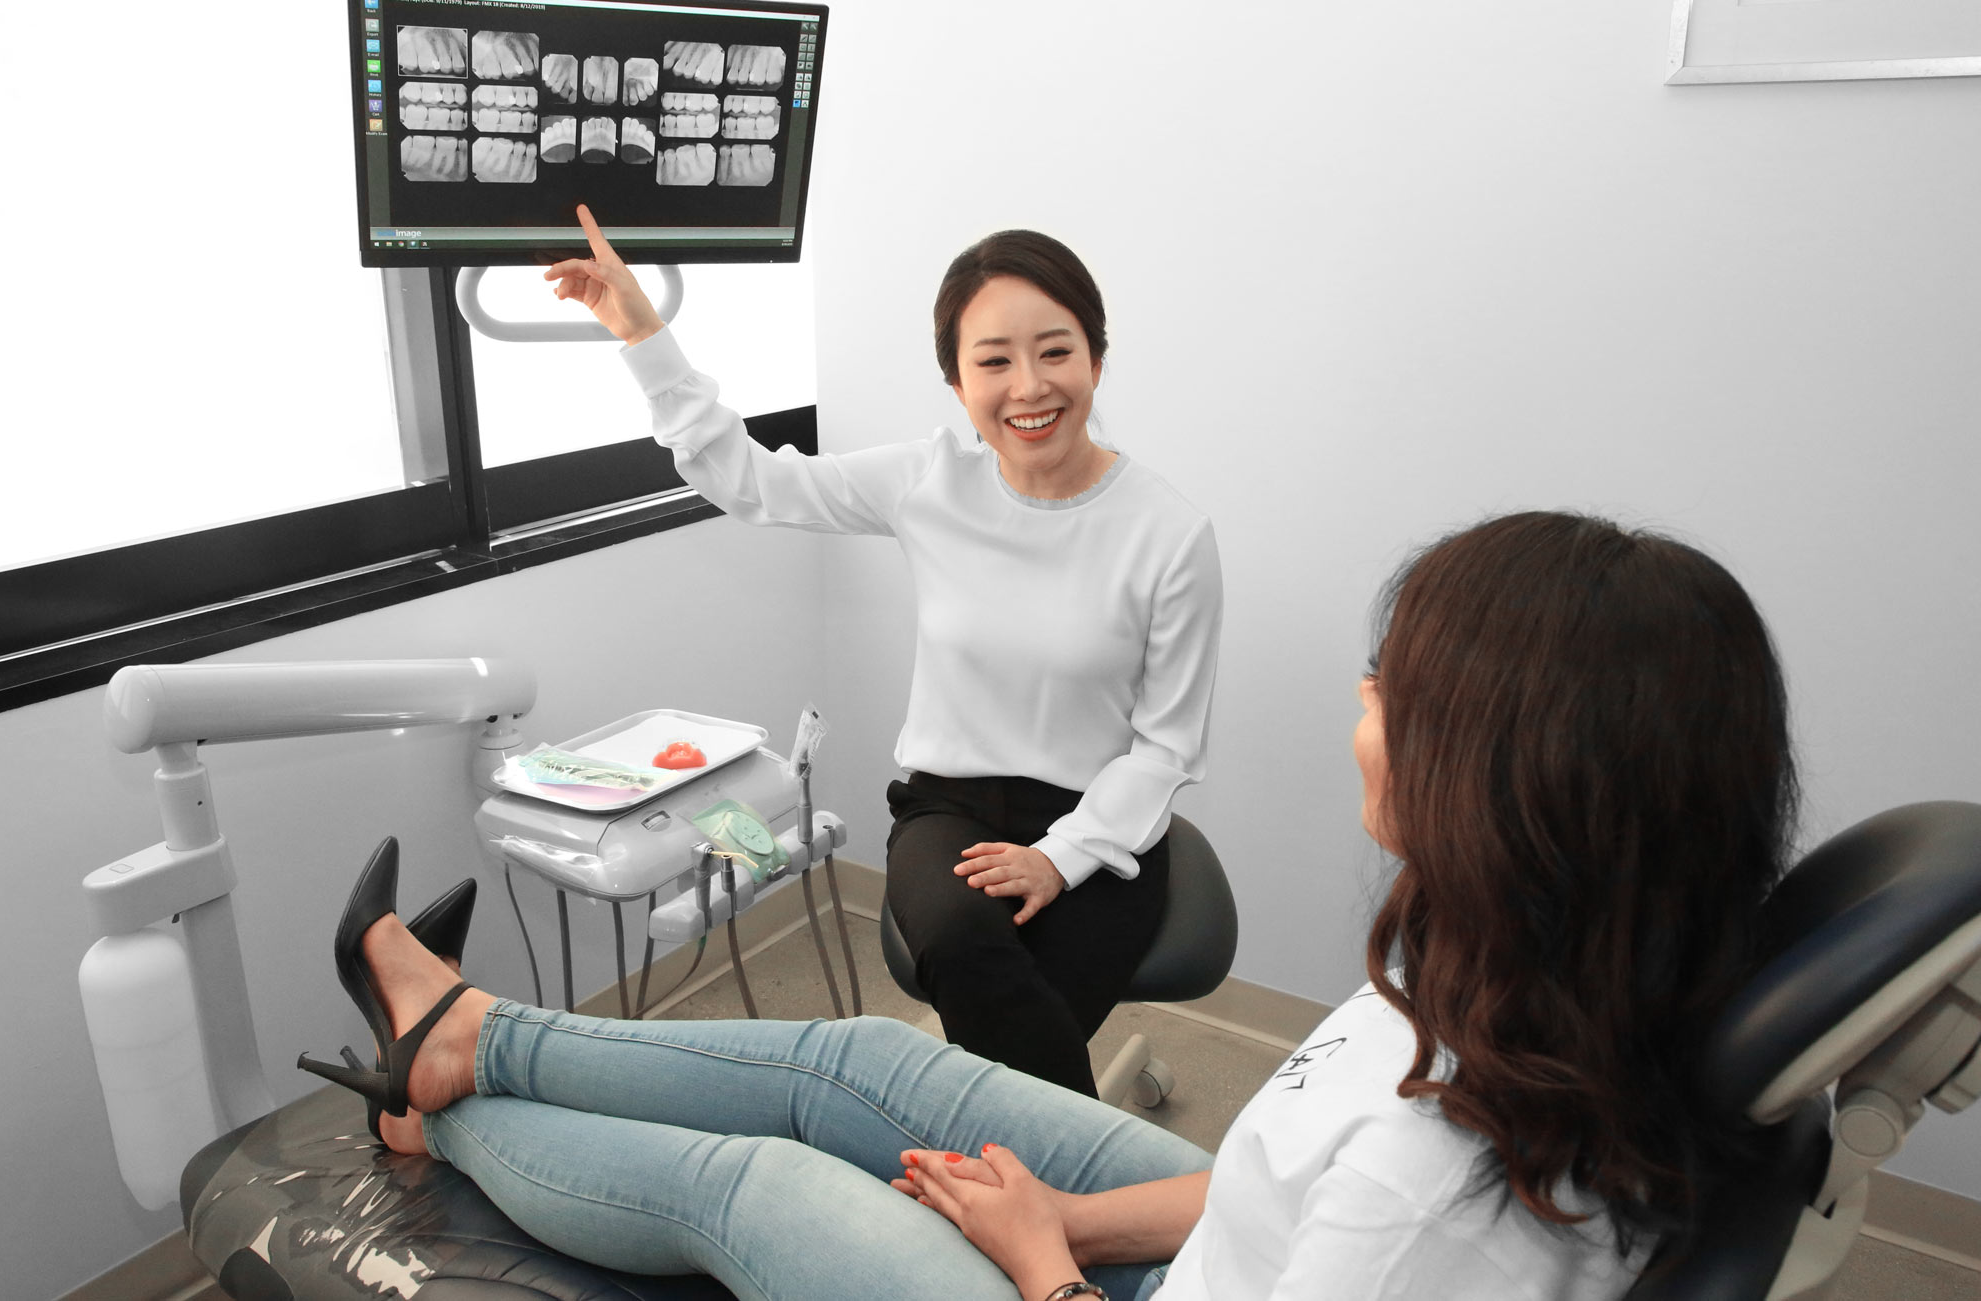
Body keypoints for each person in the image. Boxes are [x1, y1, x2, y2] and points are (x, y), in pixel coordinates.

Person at [300, 510, 1797, 1300]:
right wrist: (1074, 1208)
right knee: (868, 1063)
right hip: (1212, 1244)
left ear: (1511, 787)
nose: (1359, 703)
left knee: (750, 1185)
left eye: (1395, 693)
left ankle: (437, 1086)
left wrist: (1043, 1262)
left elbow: (1360, 1209)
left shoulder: (1434, 1203)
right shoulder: (1541, 982)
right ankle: (469, 1030)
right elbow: (1287, 1193)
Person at [540, 206, 1224, 1095]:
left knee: (1015, 1029)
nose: (1029, 386)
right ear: (955, 380)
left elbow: (1167, 747)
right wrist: (644, 334)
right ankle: (1089, 1198)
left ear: (1097, 356)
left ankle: (997, 1174)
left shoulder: (1170, 534)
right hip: (953, 810)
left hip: (1101, 823)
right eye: (993, 360)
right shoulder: (930, 481)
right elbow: (750, 482)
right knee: (972, 952)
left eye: (1056, 351)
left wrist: (1059, 857)